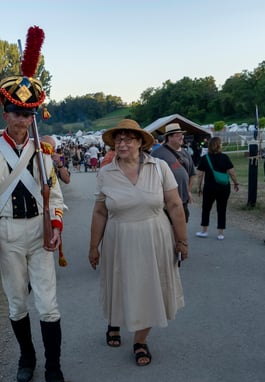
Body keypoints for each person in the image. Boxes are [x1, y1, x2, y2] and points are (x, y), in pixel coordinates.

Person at [0, 27, 68, 382]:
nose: (22, 119)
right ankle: (27, 357)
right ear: (4, 113)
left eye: (28, 113)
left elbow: (55, 196)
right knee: (16, 303)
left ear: (34, 115)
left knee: (49, 305)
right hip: (7, 234)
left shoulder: (44, 152)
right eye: (15, 112)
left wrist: (55, 225)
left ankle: (54, 367)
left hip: (40, 234)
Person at [88, 119, 187, 367]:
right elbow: (99, 212)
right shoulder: (106, 172)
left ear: (140, 142)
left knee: (150, 288)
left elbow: (175, 205)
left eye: (128, 139)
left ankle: (140, 340)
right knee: (121, 285)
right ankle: (114, 322)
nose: (122, 144)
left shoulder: (159, 167)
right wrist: (93, 246)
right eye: (118, 139)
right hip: (119, 238)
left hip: (155, 236)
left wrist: (182, 240)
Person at [195, 137, 239, 240]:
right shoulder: (225, 157)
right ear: (219, 145)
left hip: (209, 187)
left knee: (206, 208)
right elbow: (231, 172)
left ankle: (204, 231)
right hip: (223, 187)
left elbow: (200, 175)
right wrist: (235, 183)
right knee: (222, 208)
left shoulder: (205, 158)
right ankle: (220, 233)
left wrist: (199, 187)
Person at [151, 123, 196, 222]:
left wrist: (188, 191)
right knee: (168, 227)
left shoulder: (185, 152)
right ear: (169, 137)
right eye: (178, 135)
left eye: (182, 134)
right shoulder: (157, 154)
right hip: (166, 202)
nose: (181, 137)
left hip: (183, 199)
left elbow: (192, 173)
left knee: (182, 225)